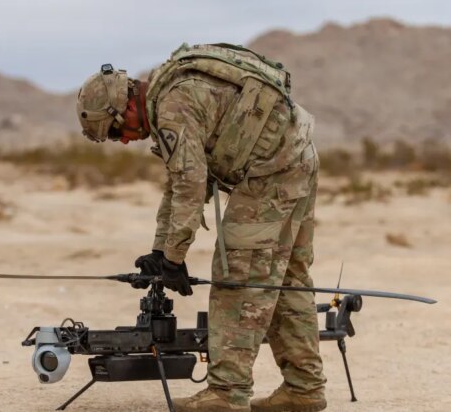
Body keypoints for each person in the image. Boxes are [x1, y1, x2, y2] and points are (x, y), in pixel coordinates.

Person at [75, 43, 326, 412]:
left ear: (126, 106)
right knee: (286, 281)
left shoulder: (171, 105)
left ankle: (227, 394)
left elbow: (191, 185)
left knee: (238, 278)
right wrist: (162, 252)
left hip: (270, 175)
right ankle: (303, 390)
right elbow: (177, 184)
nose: (125, 139)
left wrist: (174, 258)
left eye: (116, 131)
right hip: (297, 160)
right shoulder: (171, 93)